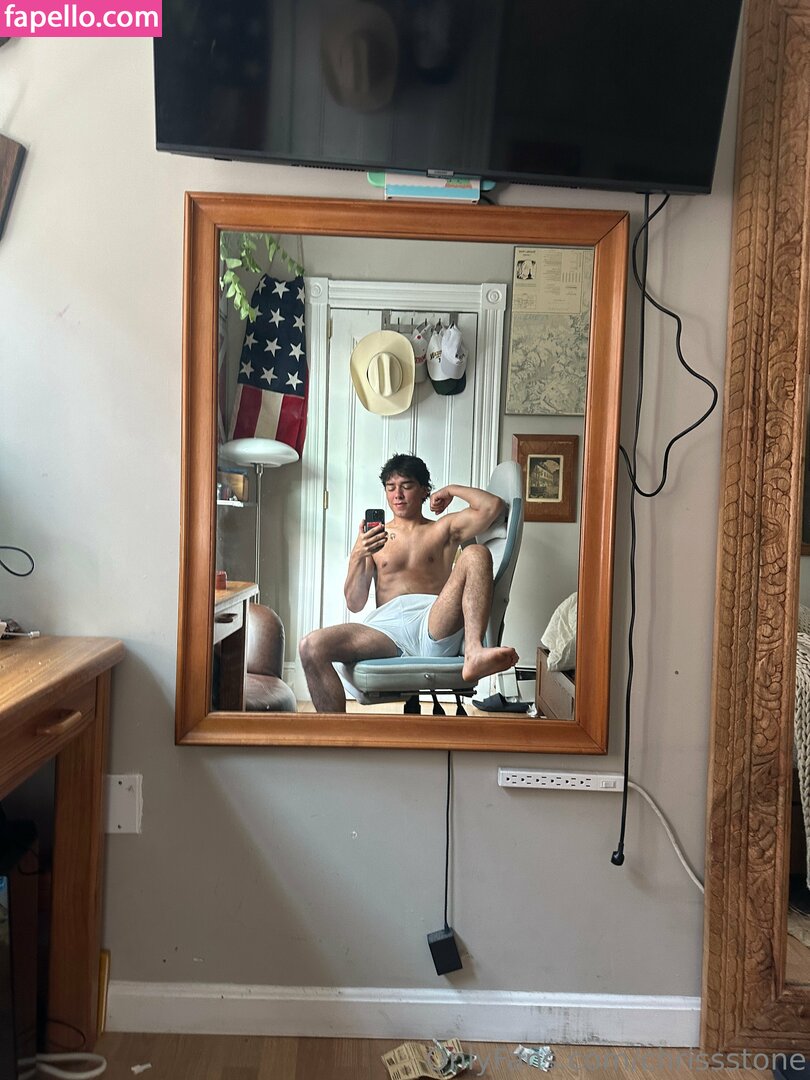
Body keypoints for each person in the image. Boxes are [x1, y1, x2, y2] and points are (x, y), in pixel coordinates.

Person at [299, 453, 519, 712]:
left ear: (425, 490)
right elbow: (355, 603)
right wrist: (358, 554)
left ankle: (474, 652)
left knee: (476, 553)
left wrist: (450, 490)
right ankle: (335, 734)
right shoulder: (374, 537)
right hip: (385, 629)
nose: (398, 495)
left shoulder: (442, 529)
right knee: (311, 646)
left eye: (406, 486)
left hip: (433, 621)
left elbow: (493, 507)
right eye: (391, 487)